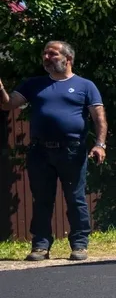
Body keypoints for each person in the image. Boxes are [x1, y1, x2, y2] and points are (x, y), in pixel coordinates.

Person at [0, 41, 106, 261]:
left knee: (75, 198)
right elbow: (8, 104)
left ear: (68, 59)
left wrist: (99, 144)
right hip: (40, 151)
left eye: (52, 53)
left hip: (72, 150)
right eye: (44, 53)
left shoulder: (85, 86)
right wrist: (0, 89)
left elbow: (99, 118)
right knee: (41, 198)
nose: (46, 57)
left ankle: (79, 244)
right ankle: (40, 245)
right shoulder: (33, 84)